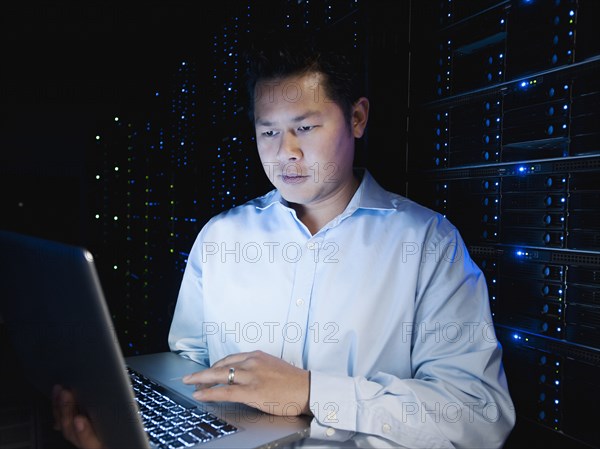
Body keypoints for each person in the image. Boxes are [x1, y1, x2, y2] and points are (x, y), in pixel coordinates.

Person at [54, 28, 515, 448]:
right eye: (268, 131)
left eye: (305, 127)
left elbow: (478, 413)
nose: (285, 152)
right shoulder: (221, 237)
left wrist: (312, 392)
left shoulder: (429, 242)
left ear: (357, 118)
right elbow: (190, 376)